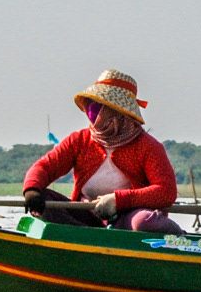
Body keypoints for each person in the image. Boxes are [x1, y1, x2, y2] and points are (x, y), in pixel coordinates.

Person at [23, 70, 181, 234]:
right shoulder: (79, 140)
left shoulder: (147, 146)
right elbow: (45, 167)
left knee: (145, 222)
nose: (92, 110)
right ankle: (85, 237)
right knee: (44, 200)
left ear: (118, 112)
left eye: (100, 105)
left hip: (128, 217)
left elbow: (166, 191)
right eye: (91, 103)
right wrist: (32, 190)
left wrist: (118, 200)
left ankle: (181, 239)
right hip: (86, 215)